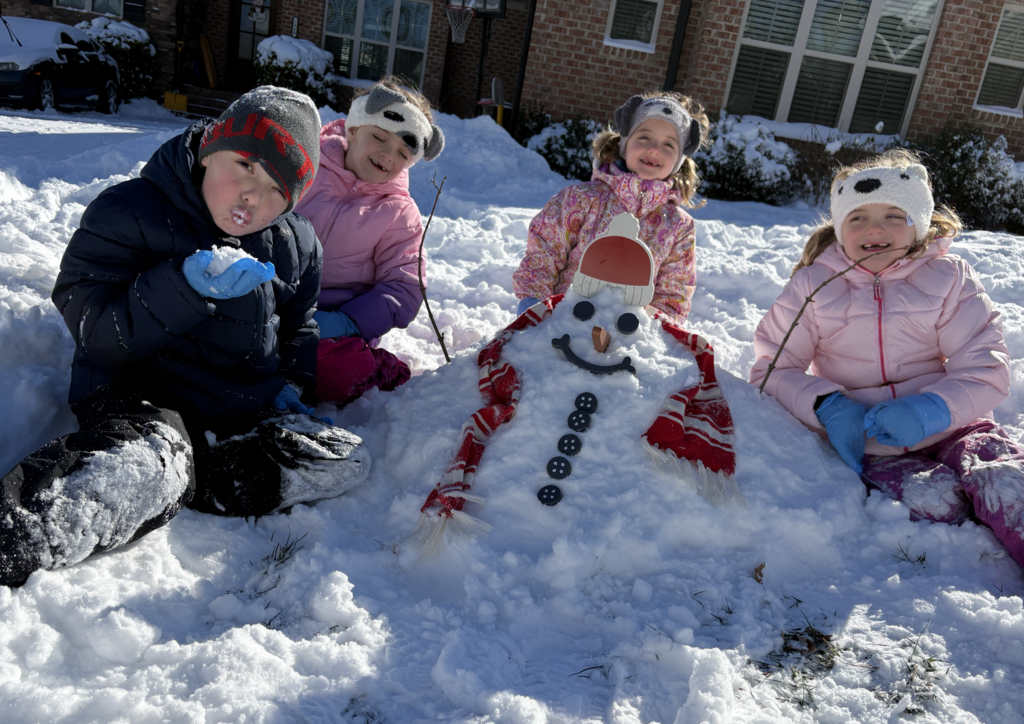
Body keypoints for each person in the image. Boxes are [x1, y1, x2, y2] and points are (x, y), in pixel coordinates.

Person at [0, 87, 370, 589]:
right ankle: (16, 531)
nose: (252, 195)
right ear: (207, 149)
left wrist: (291, 388)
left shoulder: (297, 243)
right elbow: (96, 331)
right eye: (244, 165)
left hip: (240, 411)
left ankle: (203, 474)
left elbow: (298, 324)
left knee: (347, 457)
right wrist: (182, 288)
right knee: (143, 466)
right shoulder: (131, 211)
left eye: (277, 190)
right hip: (141, 399)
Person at [750, 149, 1024, 567]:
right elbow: (772, 369)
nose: (874, 229)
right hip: (873, 440)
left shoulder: (948, 278)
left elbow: (986, 365)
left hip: (955, 423)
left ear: (919, 225)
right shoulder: (813, 287)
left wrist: (933, 409)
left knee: (1008, 483)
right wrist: (826, 405)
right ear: (840, 230)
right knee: (935, 503)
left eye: (893, 216)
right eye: (857, 218)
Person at [294, 77, 444, 406]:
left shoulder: (399, 213)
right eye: (378, 137)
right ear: (352, 130)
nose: (388, 154)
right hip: (272, 300)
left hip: (336, 324)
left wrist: (349, 321)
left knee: (334, 369)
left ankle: (378, 369)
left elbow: (404, 286)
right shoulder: (304, 167)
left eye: (403, 152)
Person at [512, 91, 709, 322]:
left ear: (678, 161)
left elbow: (674, 291)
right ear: (625, 145)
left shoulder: (678, 226)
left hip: (627, 336)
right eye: (644, 138)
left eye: (668, 144)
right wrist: (534, 306)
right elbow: (544, 252)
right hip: (563, 321)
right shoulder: (580, 199)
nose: (655, 149)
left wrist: (657, 334)